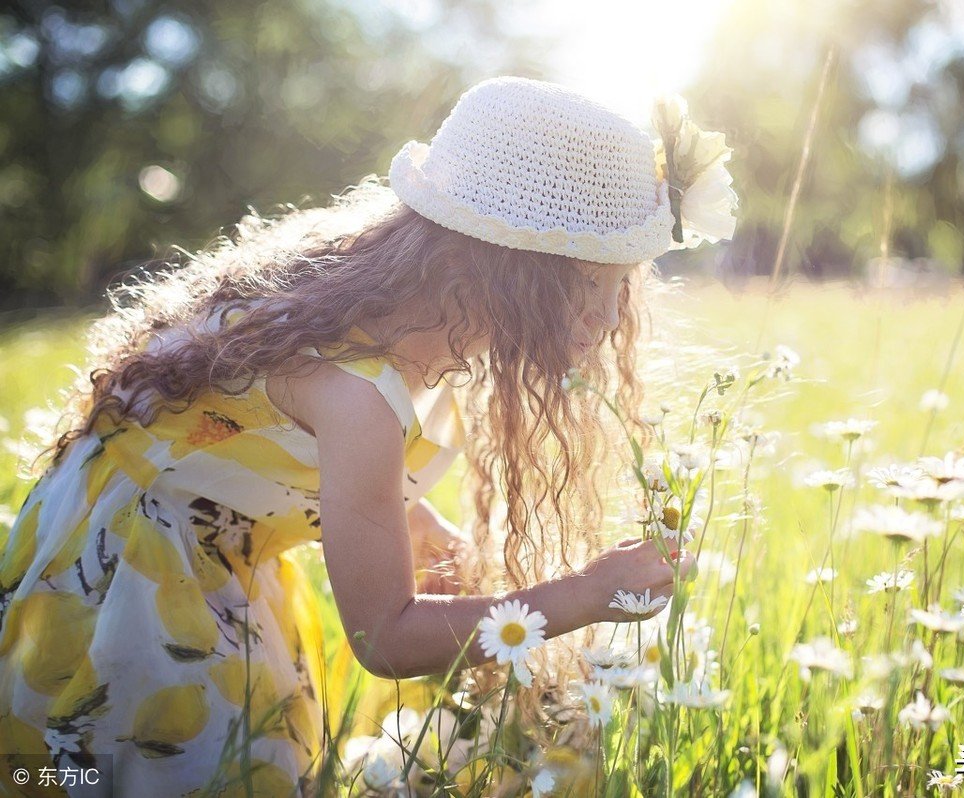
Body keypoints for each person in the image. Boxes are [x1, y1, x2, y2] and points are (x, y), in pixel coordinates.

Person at [0, 75, 735, 796]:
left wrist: (407, 517)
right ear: (502, 268)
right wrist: (587, 592)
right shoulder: (360, 393)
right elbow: (385, 639)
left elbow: (247, 437)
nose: (610, 320)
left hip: (208, 538)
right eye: (587, 285)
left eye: (622, 286)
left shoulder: (392, 304)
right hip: (130, 572)